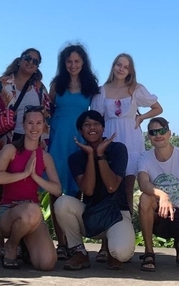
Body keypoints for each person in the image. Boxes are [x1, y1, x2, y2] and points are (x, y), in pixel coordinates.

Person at [0, 48, 52, 260]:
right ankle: (0, 243)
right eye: (28, 58)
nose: (31, 63)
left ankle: (21, 241)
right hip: (3, 142)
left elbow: (47, 116)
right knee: (0, 192)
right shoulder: (1, 84)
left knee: (28, 189)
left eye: (36, 61)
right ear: (20, 60)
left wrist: (43, 146)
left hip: (31, 144)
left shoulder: (39, 88)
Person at [54, 110, 136, 271]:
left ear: (103, 128)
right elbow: (88, 190)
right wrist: (91, 156)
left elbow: (112, 186)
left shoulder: (118, 149)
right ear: (80, 131)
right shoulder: (76, 158)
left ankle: (112, 253)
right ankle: (79, 252)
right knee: (62, 203)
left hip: (117, 214)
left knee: (121, 253)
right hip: (92, 215)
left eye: (96, 124)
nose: (92, 128)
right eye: (87, 125)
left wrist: (100, 155)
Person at [47, 43, 100, 260]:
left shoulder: (91, 86)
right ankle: (61, 243)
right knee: (55, 190)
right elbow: (46, 110)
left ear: (83, 62)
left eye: (77, 61)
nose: (73, 65)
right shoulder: (57, 84)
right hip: (58, 140)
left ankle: (73, 241)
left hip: (79, 140)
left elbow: (96, 115)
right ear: (64, 63)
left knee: (77, 190)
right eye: (69, 61)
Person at [0, 106, 62, 270]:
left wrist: (35, 177)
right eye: (30, 123)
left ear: (44, 126)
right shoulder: (10, 150)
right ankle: (11, 246)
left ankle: (25, 246)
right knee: (31, 210)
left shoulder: (45, 157)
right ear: (23, 125)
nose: (34, 127)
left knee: (47, 263)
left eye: (38, 123)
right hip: (8, 212)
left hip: (32, 215)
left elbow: (57, 189)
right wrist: (24, 174)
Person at [136, 116, 179, 272]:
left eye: (162, 131)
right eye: (153, 132)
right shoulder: (144, 158)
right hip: (159, 214)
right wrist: (162, 195)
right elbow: (143, 183)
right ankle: (149, 251)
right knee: (145, 198)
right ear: (149, 137)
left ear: (169, 133)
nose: (158, 135)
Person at [92, 52, 162, 206]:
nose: (121, 69)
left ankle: (128, 223)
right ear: (113, 66)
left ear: (130, 71)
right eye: (119, 65)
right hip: (110, 136)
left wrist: (141, 117)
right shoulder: (101, 91)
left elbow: (158, 108)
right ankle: (110, 222)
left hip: (131, 138)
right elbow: (96, 118)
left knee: (128, 186)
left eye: (126, 67)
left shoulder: (135, 89)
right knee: (109, 184)